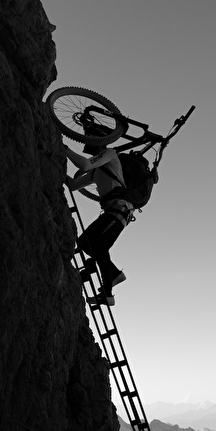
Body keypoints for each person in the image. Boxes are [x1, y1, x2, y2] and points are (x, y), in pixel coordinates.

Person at [63, 124, 133, 306]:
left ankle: (108, 294)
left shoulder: (110, 154)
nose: (88, 143)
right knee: (84, 242)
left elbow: (84, 164)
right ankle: (115, 274)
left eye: (91, 138)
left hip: (119, 211)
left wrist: (64, 150)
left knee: (99, 246)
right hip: (113, 212)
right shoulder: (96, 170)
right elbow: (73, 185)